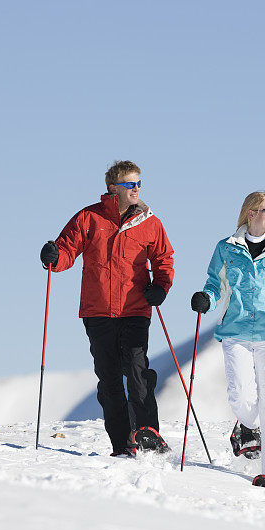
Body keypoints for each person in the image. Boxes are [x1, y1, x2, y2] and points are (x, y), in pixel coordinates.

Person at [40, 160, 174, 457]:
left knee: (138, 372)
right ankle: (122, 445)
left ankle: (148, 433)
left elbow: (164, 258)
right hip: (98, 312)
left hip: (135, 309)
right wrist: (53, 256)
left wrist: (161, 287)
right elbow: (66, 251)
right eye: (130, 184)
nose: (137, 188)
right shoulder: (89, 218)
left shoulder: (149, 222)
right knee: (109, 378)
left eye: (139, 183)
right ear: (113, 188)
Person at [191, 191, 265, 489]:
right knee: (241, 397)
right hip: (236, 330)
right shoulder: (226, 248)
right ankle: (247, 427)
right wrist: (206, 297)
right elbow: (214, 282)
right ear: (251, 213)